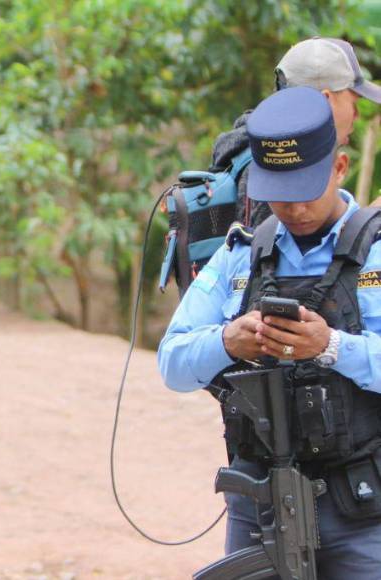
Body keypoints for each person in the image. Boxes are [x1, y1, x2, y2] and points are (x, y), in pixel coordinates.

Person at [158, 86, 381, 577]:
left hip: (361, 508)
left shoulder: (376, 252)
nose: (294, 208)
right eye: (278, 192)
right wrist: (227, 341)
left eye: (305, 188)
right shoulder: (240, 254)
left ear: (339, 168)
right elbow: (171, 362)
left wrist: (333, 346)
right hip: (258, 500)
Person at [211, 36, 381, 228]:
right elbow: (283, 253)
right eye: (353, 103)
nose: (356, 115)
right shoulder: (279, 156)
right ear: (325, 101)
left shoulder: (259, 144)